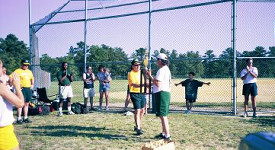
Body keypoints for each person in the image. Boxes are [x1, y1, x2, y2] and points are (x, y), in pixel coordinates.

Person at [147, 53, 172, 140]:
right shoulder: (166, 69)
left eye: (157, 60)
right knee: (162, 115)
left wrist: (149, 76)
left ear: (160, 61)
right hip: (164, 93)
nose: (156, 62)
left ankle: (167, 136)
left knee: (163, 115)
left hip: (162, 93)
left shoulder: (161, 70)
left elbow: (157, 83)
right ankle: (164, 133)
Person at [0, 60, 24, 150]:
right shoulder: (1, 87)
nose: (3, 70)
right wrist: (17, 87)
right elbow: (20, 103)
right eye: (1, 67)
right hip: (3, 132)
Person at [12, 60, 34, 124]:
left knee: (26, 103)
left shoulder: (29, 71)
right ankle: (19, 118)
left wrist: (32, 85)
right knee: (20, 103)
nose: (26, 66)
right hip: (22, 89)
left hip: (28, 88)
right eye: (24, 65)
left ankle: (25, 117)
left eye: (27, 65)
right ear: (21, 64)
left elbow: (32, 78)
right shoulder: (17, 71)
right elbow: (11, 78)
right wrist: (17, 86)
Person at [128, 59, 146, 135]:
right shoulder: (130, 73)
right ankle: (138, 128)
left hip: (141, 93)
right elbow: (133, 84)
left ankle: (138, 125)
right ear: (132, 66)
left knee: (142, 110)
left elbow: (144, 81)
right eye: (136, 65)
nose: (138, 66)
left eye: (139, 65)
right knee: (138, 110)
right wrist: (144, 85)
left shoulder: (141, 72)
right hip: (134, 93)